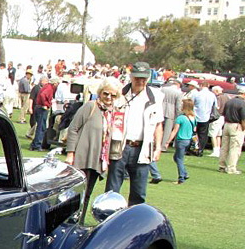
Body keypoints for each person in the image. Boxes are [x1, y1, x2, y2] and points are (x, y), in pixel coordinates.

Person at [106, 61, 163, 205]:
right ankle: (107, 221)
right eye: (137, 78)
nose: (140, 81)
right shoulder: (119, 95)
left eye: (143, 78)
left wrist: (158, 148)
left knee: (139, 192)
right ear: (131, 77)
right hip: (120, 146)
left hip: (142, 148)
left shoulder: (155, 97)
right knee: (112, 190)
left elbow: (158, 125)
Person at [65, 76, 121, 205]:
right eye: (105, 93)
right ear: (100, 92)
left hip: (97, 160)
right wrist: (70, 153)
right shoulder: (90, 106)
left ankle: (81, 220)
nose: (108, 97)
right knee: (74, 194)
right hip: (81, 158)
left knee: (87, 194)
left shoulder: (112, 113)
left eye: (112, 95)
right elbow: (73, 128)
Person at [164, 98, 196, 184]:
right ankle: (184, 173)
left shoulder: (181, 118)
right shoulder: (193, 118)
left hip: (181, 140)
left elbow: (175, 130)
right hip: (188, 140)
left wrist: (168, 141)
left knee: (179, 159)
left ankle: (181, 177)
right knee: (177, 157)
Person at [218, 90, 245, 175]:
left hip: (227, 124)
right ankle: (231, 168)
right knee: (235, 147)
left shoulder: (229, 102)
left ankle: (222, 165)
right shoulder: (242, 103)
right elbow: (243, 118)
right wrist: (243, 128)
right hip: (236, 126)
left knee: (224, 147)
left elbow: (223, 113)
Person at [193, 81, 217, 156]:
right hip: (206, 117)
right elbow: (215, 106)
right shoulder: (212, 95)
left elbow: (191, 103)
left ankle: (194, 148)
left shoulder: (197, 94)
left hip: (195, 116)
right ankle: (200, 149)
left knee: (193, 133)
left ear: (201, 85)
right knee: (203, 135)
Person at [30, 76, 54, 151]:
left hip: (38, 107)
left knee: (40, 127)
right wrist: (45, 104)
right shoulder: (49, 88)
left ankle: (34, 144)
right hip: (41, 108)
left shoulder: (44, 87)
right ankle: (37, 145)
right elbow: (43, 95)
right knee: (41, 127)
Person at [160, 76, 182, 152]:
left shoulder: (163, 89)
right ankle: (163, 146)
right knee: (167, 131)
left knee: (158, 128)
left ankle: (155, 144)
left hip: (161, 109)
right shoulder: (178, 93)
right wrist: (178, 115)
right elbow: (178, 106)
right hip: (171, 112)